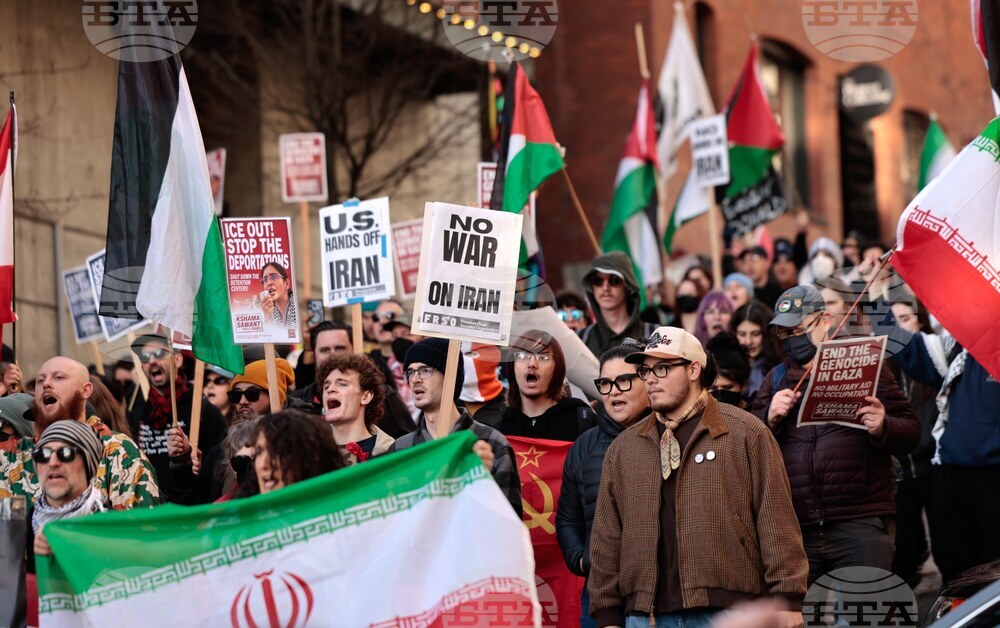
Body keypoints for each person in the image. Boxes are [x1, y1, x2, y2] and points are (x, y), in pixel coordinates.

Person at [588, 326, 808, 626]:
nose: (650, 378)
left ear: (694, 369)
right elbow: (607, 538)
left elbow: (776, 518)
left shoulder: (746, 432)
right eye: (645, 371)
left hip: (730, 608)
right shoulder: (624, 449)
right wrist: (607, 614)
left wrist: (788, 598)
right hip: (645, 613)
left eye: (662, 368)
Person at [749, 285, 920, 583]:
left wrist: (883, 425)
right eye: (784, 333)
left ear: (826, 319)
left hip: (860, 522)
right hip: (799, 528)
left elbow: (911, 432)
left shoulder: (865, 362)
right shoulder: (775, 379)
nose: (793, 339)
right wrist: (768, 418)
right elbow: (749, 447)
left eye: (800, 328)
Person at [876, 303, 1000, 582]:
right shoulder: (957, 349)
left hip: (994, 479)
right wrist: (874, 293)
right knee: (956, 571)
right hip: (951, 476)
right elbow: (897, 340)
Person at [556, 342, 651, 627]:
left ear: (648, 380)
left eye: (624, 381)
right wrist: (584, 561)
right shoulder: (585, 445)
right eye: (605, 384)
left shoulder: (670, 438)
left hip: (656, 594)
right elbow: (567, 519)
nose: (614, 392)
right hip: (599, 593)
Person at [387, 338, 522, 517]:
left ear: (450, 377)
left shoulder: (491, 442)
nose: (415, 379)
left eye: (425, 370)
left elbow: (509, 524)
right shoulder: (400, 450)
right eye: (410, 372)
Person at [0, 356, 159, 508]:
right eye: (40, 381)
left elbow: (139, 527)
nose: (46, 384)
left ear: (86, 390)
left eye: (59, 377)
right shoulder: (14, 454)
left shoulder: (118, 451)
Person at [127, 333, 225, 502]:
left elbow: (220, 466)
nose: (151, 361)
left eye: (159, 354)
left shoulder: (203, 410)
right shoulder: (137, 415)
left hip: (194, 509)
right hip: (155, 513)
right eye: (144, 357)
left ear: (178, 360)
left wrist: (201, 467)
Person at [885, 299, 939, 587]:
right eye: (894, 321)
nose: (900, 327)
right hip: (900, 472)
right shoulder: (883, 370)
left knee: (947, 544)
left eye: (906, 318)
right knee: (904, 550)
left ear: (920, 322)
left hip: (932, 467)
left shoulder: (935, 360)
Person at [288, 320, 415, 438]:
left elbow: (411, 447)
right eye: (325, 350)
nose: (333, 355)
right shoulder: (299, 403)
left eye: (340, 348)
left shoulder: (384, 397)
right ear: (314, 354)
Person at [29, 420, 109, 563]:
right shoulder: (16, 532)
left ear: (88, 463)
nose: (52, 462)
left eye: (66, 453)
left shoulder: (112, 529)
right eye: (43, 454)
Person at [499, 330, 596, 441]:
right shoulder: (498, 432)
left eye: (543, 357)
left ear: (557, 368)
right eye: (523, 356)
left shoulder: (584, 423)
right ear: (512, 367)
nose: (532, 364)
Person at [238, 410, 346, 497]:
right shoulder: (241, 520)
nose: (263, 464)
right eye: (260, 452)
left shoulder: (339, 513)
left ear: (308, 460)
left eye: (277, 451)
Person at [318, 353, 395, 465]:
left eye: (342, 384)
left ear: (365, 396)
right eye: (326, 386)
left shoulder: (392, 452)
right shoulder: (310, 453)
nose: (330, 389)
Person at [579, 251, 655, 358]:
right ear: (592, 288)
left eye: (614, 280)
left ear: (627, 286)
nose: (605, 288)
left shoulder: (654, 336)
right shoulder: (581, 339)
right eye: (598, 281)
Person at [730, 302, 783, 399]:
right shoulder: (726, 367)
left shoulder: (780, 369)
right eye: (742, 334)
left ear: (767, 335)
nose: (748, 341)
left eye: (755, 334)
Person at [459, 343, 507, 429]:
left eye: (471, 354)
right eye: (459, 355)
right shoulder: (445, 404)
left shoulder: (513, 406)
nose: (463, 360)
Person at [705, 332, 751, 408]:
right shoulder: (696, 417)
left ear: (744, 385)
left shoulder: (756, 414)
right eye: (713, 388)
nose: (720, 393)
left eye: (727, 387)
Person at [260, 262, 297, 331]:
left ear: (286, 283)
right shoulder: (268, 312)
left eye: (273, 277)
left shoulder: (298, 307)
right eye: (265, 280)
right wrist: (268, 318)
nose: (268, 283)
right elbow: (270, 339)